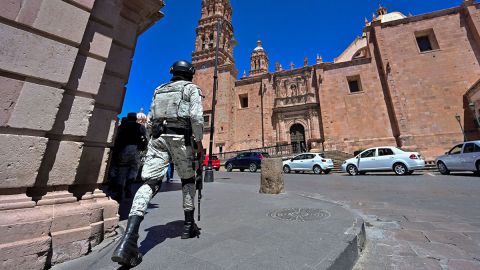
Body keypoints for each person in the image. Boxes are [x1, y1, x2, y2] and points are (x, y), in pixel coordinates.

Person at [111, 60, 204, 267]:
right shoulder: (191, 89)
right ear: (190, 73)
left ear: (173, 72)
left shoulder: (159, 89)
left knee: (149, 183)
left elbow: (152, 119)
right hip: (182, 139)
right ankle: (188, 225)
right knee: (188, 179)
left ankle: (130, 238)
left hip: (158, 139)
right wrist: (198, 143)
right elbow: (197, 118)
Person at [109, 113, 148, 201]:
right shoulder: (141, 127)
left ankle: (119, 193)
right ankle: (129, 184)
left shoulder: (122, 126)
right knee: (134, 169)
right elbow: (145, 138)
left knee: (122, 171)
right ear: (136, 119)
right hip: (136, 150)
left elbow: (116, 137)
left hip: (123, 149)